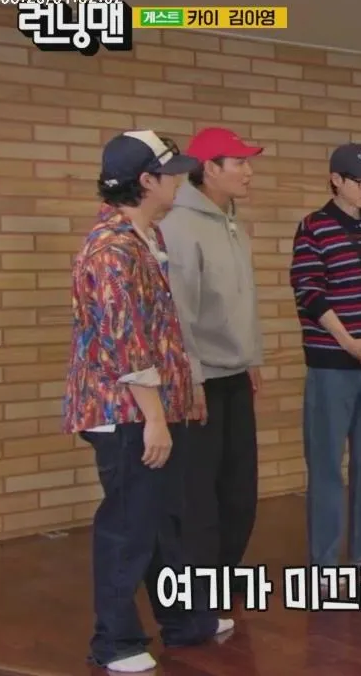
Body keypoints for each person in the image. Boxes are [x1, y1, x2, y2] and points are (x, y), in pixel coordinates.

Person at [62, 130, 232, 672]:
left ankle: (185, 621)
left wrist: (184, 392)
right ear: (145, 181)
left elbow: (158, 330)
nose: (180, 181)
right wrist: (155, 417)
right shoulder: (112, 249)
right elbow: (126, 342)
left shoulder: (145, 237)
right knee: (129, 525)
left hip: (151, 408)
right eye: (172, 174)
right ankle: (114, 643)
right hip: (125, 413)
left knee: (163, 520)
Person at [289, 143, 361, 586]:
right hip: (331, 362)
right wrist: (348, 342)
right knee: (326, 463)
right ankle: (323, 562)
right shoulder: (313, 227)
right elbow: (309, 292)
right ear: (336, 180)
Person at [159, 127, 265, 574]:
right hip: (202, 382)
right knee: (198, 491)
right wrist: (193, 377)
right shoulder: (180, 228)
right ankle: (199, 582)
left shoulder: (232, 224)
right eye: (239, 162)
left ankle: (225, 568)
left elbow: (244, 298)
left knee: (239, 487)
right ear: (210, 170)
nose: (249, 171)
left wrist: (252, 357)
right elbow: (178, 312)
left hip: (235, 375)